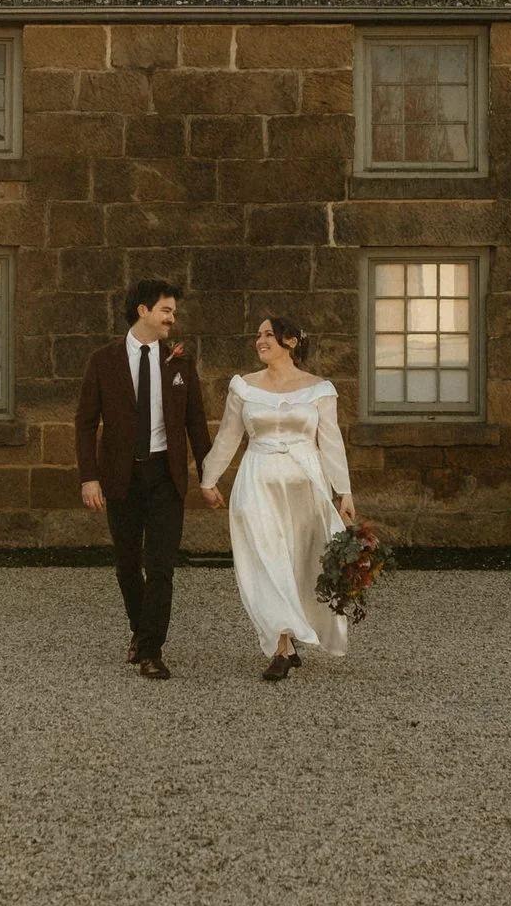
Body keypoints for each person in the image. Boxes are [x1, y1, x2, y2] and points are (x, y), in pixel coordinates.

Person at [197, 317, 356, 682]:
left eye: (268, 334)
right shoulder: (244, 388)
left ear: (291, 341)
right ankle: (281, 647)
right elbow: (227, 437)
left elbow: (330, 442)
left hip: (305, 487)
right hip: (258, 482)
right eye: (258, 335)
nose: (260, 340)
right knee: (266, 560)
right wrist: (209, 479)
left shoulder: (318, 389)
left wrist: (343, 491)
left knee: (300, 564)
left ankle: (293, 636)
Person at [74, 279, 211, 680]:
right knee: (127, 565)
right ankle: (139, 629)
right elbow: (84, 424)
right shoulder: (103, 361)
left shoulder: (181, 361)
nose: (173, 318)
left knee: (162, 566)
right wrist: (89, 478)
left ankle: (152, 650)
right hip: (120, 477)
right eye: (167, 310)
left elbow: (196, 423)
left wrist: (208, 476)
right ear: (143, 311)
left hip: (166, 478)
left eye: (173, 312)